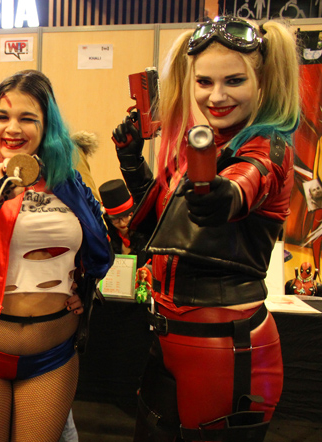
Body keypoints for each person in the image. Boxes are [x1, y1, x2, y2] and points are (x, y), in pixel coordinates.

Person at [111, 16, 298, 442]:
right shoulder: (202, 142)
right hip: (170, 338)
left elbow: (246, 182)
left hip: (224, 345)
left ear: (263, 80)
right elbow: (167, 225)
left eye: (234, 80)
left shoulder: (267, 146)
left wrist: (221, 195)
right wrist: (132, 161)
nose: (216, 96)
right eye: (204, 82)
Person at [0, 69, 114, 442]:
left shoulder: (70, 184)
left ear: (46, 125)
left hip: (51, 355)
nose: (12, 128)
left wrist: (84, 286)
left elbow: (97, 244)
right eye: (2, 117)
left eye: (26, 118)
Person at [98, 179, 147, 265]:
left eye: (126, 216)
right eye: (116, 219)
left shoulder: (146, 235)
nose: (122, 223)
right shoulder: (107, 238)